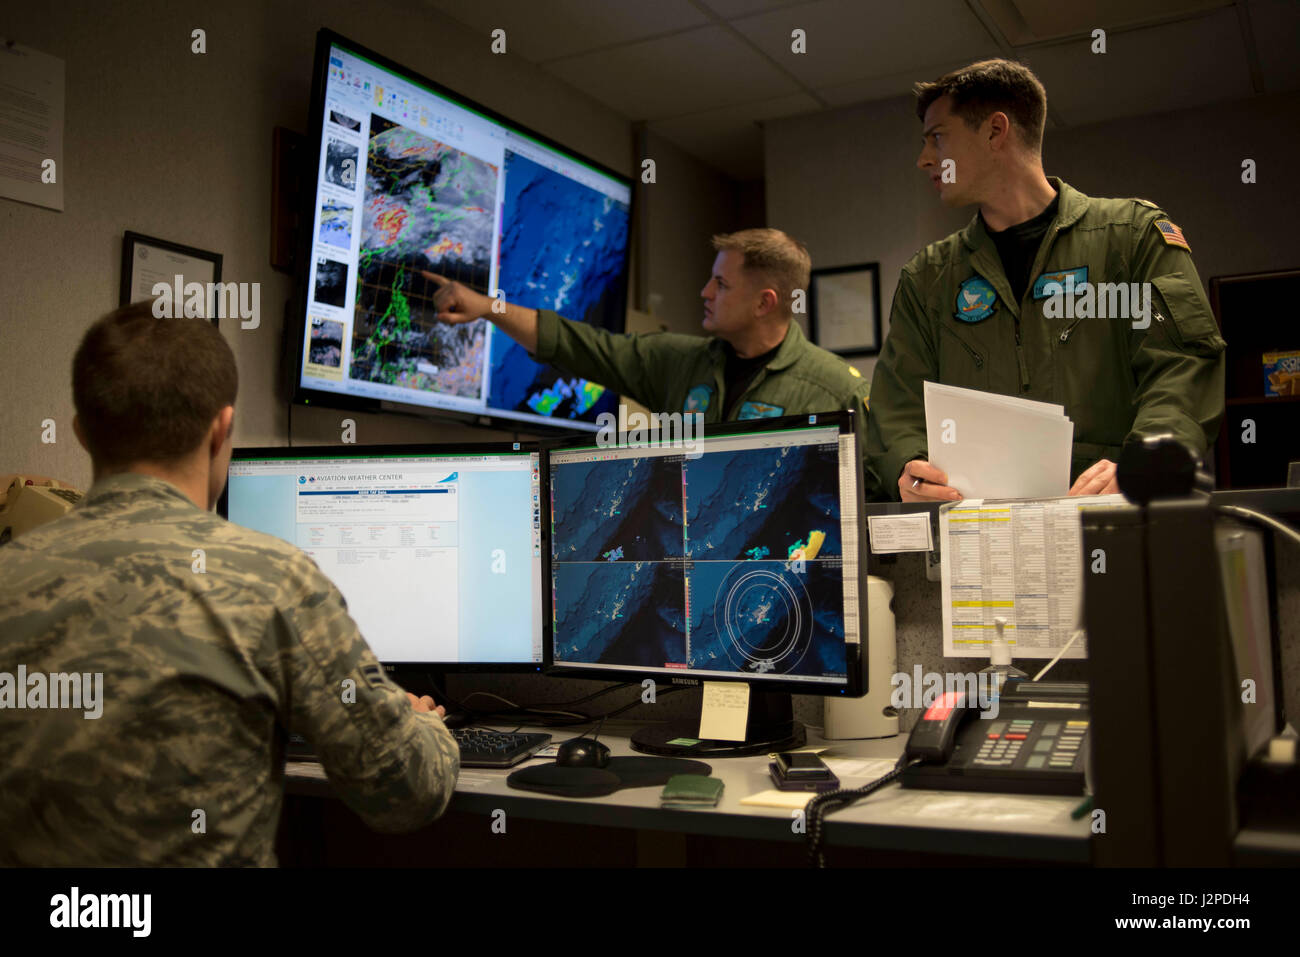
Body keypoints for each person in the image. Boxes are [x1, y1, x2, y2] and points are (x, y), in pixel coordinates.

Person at [0, 302, 459, 866]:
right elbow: (404, 792)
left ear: (80, 431)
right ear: (222, 429)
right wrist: (420, 724)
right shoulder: (272, 582)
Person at [866, 59, 1226, 503]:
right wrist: (908, 467)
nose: (924, 160)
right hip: (979, 539)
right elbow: (896, 407)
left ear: (996, 131)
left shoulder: (1129, 239)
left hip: (1112, 521)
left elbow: (1182, 364)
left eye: (938, 138)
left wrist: (1145, 460)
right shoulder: (928, 278)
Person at [425, 228, 878, 492]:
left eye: (721, 284)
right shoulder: (680, 362)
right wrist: (489, 308)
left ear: (764, 303)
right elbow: (578, 344)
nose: (704, 292)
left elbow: (877, 495)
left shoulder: (835, 389)